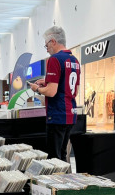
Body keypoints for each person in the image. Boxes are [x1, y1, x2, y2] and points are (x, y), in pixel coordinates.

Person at [30, 26, 80, 161]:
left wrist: (37, 89)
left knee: (54, 159)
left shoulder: (54, 59)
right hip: (70, 114)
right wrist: (47, 81)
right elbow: (74, 89)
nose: (46, 49)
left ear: (53, 41)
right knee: (63, 155)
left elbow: (51, 92)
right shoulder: (74, 60)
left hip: (57, 114)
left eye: (46, 45)